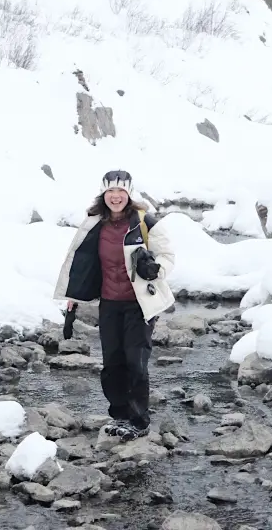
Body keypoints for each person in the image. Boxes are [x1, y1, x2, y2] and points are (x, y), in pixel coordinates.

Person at [54, 169, 175, 440]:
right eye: (111, 191)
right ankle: (119, 415)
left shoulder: (144, 222)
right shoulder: (94, 223)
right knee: (112, 363)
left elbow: (167, 255)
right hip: (109, 303)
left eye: (121, 191)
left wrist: (156, 269)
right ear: (104, 194)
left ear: (129, 194)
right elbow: (82, 262)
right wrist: (74, 296)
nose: (116, 196)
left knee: (136, 362)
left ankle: (139, 421)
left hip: (140, 304)